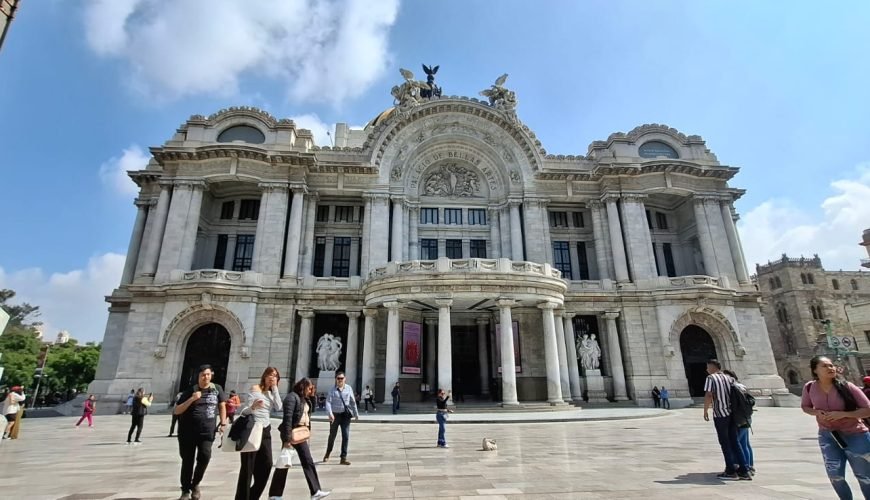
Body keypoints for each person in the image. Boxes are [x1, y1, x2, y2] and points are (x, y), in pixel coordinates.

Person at [802, 355, 870, 499]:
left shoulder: (847, 386)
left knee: (865, 476)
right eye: (825, 366)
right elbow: (805, 406)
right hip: (828, 436)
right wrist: (816, 412)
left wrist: (843, 414)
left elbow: (867, 410)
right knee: (835, 476)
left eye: (831, 365)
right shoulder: (809, 387)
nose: (830, 368)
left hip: (855, 435)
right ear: (815, 370)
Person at [269, 377, 330, 500]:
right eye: (309, 388)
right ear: (303, 387)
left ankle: (314, 491)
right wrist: (287, 440)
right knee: (286, 462)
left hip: (301, 433)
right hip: (292, 433)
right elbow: (288, 418)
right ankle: (275, 494)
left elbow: (311, 409)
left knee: (305, 461)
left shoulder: (303, 398)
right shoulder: (292, 397)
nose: (310, 390)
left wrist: (312, 396)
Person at [174, 365, 228, 500]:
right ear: (198, 376)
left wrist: (223, 422)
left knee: (205, 457)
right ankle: (185, 490)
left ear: (212, 375)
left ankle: (195, 483)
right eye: (203, 375)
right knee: (187, 461)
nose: (206, 377)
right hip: (187, 432)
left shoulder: (217, 389)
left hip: (207, 431)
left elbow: (222, 404)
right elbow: (177, 411)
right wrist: (192, 399)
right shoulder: (190, 391)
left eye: (208, 374)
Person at [235, 367, 282, 500]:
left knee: (267, 464)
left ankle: (253, 496)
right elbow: (244, 411)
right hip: (252, 429)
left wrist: (275, 389)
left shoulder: (272, 393)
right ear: (264, 376)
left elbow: (279, 407)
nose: (272, 378)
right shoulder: (255, 389)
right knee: (247, 469)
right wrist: (253, 407)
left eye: (275, 376)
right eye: (270, 375)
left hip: (265, 430)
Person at [703, 359, 751, 480]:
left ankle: (730, 471)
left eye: (708, 367)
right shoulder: (730, 378)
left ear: (712, 366)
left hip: (721, 414)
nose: (707, 370)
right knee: (735, 442)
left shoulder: (711, 378)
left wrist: (705, 410)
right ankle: (744, 470)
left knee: (725, 443)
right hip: (732, 414)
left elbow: (709, 394)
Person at [323, 371, 359, 465]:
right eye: (338, 378)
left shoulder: (349, 388)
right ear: (336, 379)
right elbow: (328, 402)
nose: (340, 380)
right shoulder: (332, 390)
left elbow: (352, 402)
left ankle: (343, 457)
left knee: (346, 436)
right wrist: (330, 413)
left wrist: (356, 413)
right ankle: (328, 452)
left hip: (345, 415)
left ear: (345, 379)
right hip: (335, 416)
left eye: (341, 378)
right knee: (332, 436)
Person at [723, 370, 754, 476]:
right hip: (746, 417)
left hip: (738, 419)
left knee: (737, 443)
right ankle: (750, 466)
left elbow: (734, 405)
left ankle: (740, 466)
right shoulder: (742, 386)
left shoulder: (734, 388)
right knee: (745, 443)